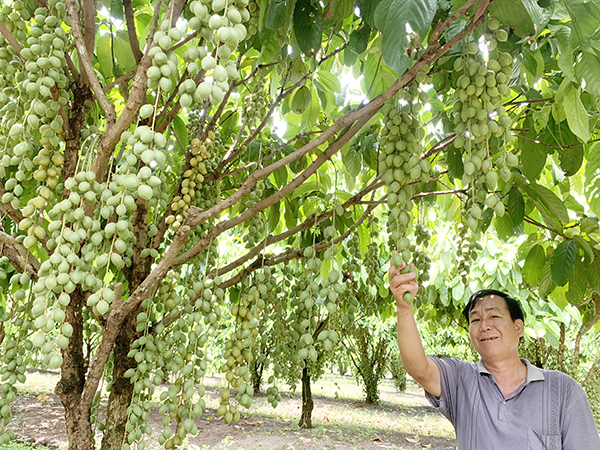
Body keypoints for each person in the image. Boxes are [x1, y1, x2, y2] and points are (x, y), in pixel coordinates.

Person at [389, 259, 600, 450]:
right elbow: (420, 368)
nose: (484, 326)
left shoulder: (563, 391)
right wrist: (404, 307)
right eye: (475, 320)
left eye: (494, 316)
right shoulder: (461, 380)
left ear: (518, 328)